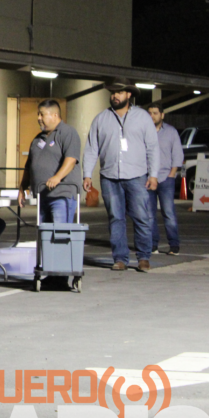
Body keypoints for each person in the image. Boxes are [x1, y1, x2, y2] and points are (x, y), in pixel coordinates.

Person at [82, 78, 160, 272]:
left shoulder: (142, 117)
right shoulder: (101, 119)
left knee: (141, 217)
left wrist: (153, 175)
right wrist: (87, 174)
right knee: (115, 218)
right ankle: (120, 259)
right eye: (113, 92)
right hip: (109, 177)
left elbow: (153, 148)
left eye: (119, 92)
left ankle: (143, 258)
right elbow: (92, 148)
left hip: (137, 175)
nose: (115, 96)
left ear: (129, 94)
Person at [18, 99, 82, 222]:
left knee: (59, 235)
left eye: (42, 114)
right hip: (42, 196)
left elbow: (71, 159)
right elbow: (29, 166)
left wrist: (57, 177)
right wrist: (22, 188)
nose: (38, 118)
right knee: (44, 237)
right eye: (38, 114)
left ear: (55, 115)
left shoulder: (67, 132)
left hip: (61, 196)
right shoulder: (38, 139)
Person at [147, 101, 184, 255]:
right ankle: (153, 245)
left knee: (168, 213)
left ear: (162, 115)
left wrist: (172, 174)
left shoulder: (171, 132)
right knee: (149, 214)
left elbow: (177, 154)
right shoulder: (143, 131)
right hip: (147, 179)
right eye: (149, 113)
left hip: (165, 178)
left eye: (155, 113)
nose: (152, 116)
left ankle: (174, 245)